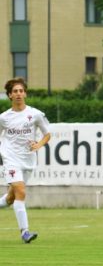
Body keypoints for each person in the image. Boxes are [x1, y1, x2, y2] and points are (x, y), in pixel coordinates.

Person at [0, 77, 51, 243]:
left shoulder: (35, 114)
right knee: (21, 192)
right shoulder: (4, 118)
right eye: (15, 91)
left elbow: (47, 134)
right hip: (10, 159)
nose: (18, 94)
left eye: (21, 91)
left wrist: (38, 145)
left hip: (28, 160)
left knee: (10, 199)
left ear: (25, 94)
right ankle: (25, 232)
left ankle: (24, 230)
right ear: (9, 95)